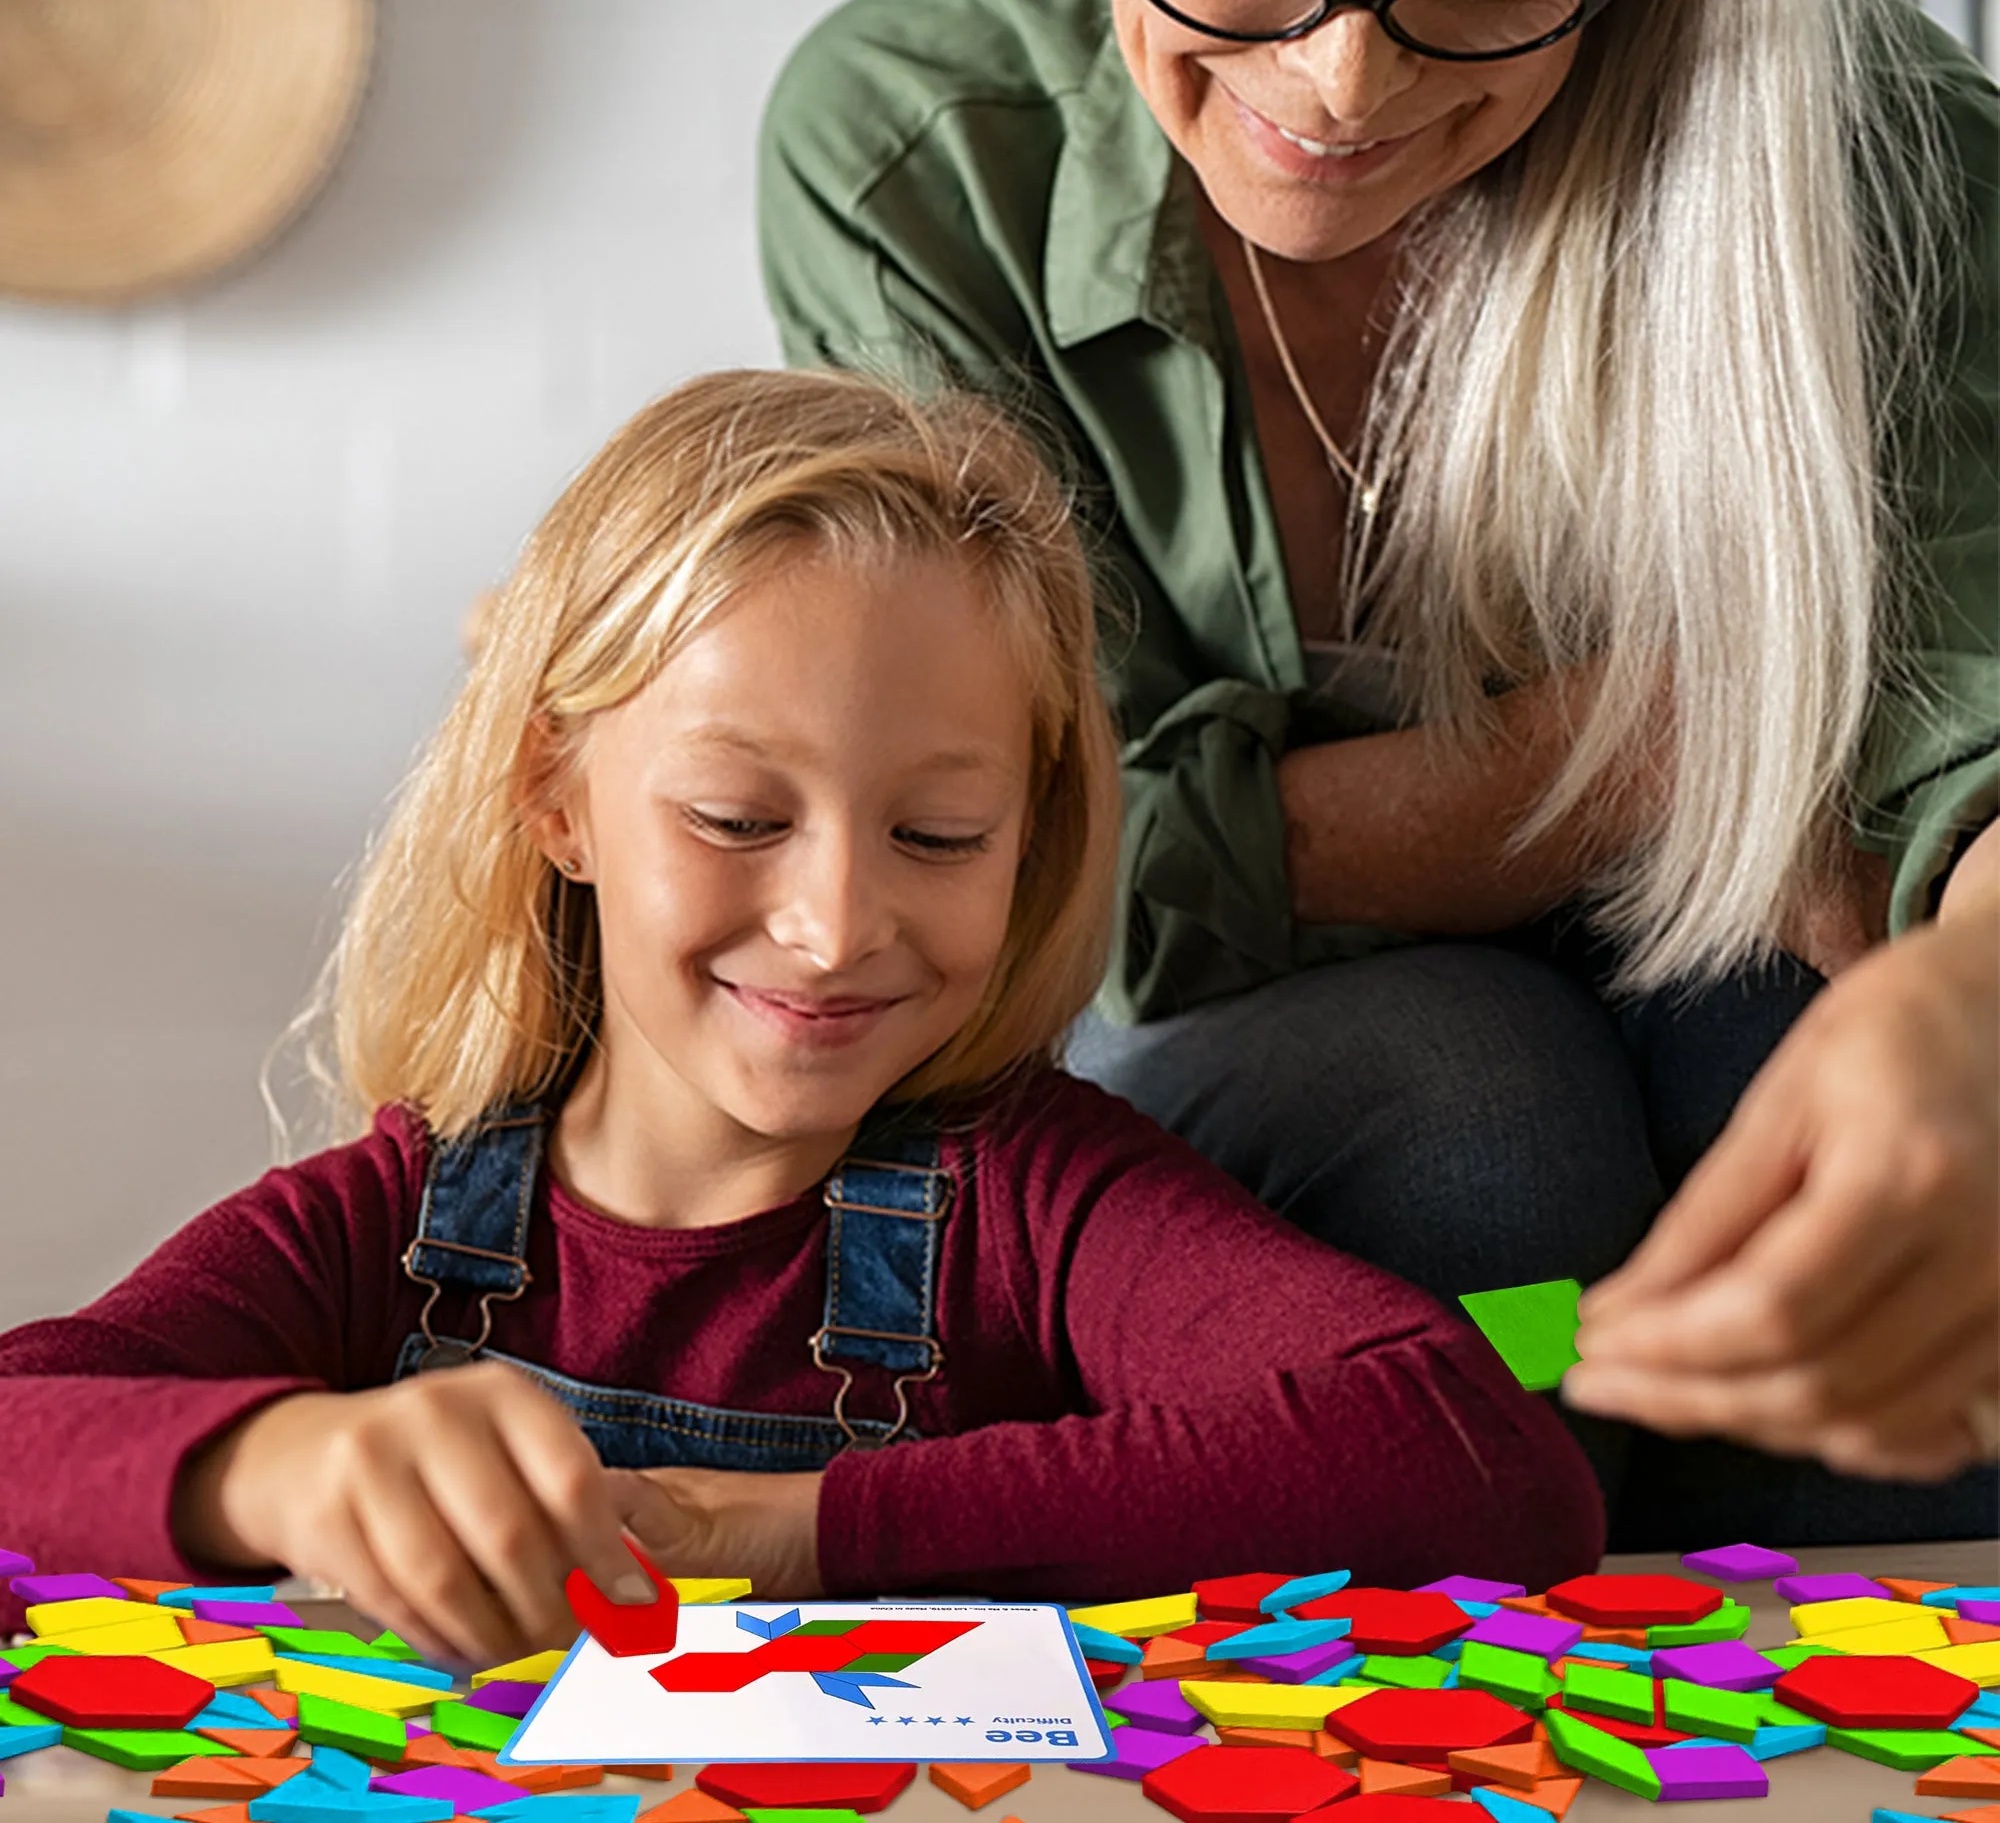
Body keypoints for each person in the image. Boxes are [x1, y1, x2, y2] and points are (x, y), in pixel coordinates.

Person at [757, 0, 1998, 1546]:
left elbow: (1961, 738)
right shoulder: (916, 143)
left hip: (1716, 962)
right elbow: (1052, 865)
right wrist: (1651, 759)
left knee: (1823, 1149)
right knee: (1485, 1143)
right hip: (1301, 1030)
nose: (1344, 81)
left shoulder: (1886, 146)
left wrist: (1969, 1008)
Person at [0, 369, 1602, 1663]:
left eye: (939, 837)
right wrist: (265, 1465)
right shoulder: (399, 1223)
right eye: (736, 820)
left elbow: (1470, 1447)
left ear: (1031, 838)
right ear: (555, 802)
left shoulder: (1036, 1202)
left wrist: (803, 1526)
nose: (836, 929)